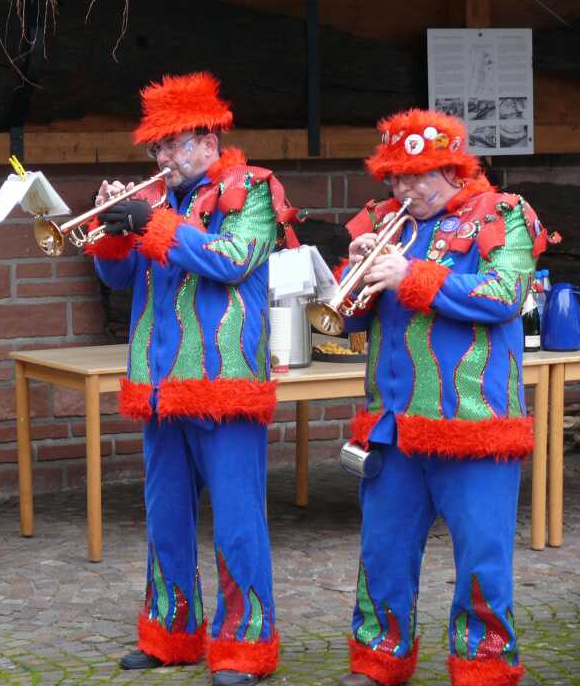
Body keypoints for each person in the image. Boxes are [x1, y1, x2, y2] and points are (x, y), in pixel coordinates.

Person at [88, 72, 298, 686]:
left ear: (209, 141)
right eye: (156, 147)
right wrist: (114, 230)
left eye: (173, 145)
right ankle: (171, 633)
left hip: (224, 383)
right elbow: (117, 282)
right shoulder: (159, 198)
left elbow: (231, 261)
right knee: (165, 516)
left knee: (237, 519)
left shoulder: (253, 188)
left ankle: (244, 645)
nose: (163, 158)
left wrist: (149, 224)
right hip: (160, 385)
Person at [335, 109, 553, 686]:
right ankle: (379, 658)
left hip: (474, 420)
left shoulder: (504, 213)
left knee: (482, 554)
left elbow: (504, 295)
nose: (402, 188)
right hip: (394, 423)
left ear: (454, 170)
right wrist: (355, 274)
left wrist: (411, 276)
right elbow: (346, 323)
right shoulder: (383, 219)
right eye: (395, 176)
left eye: (416, 175)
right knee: (382, 550)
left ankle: (483, 666)